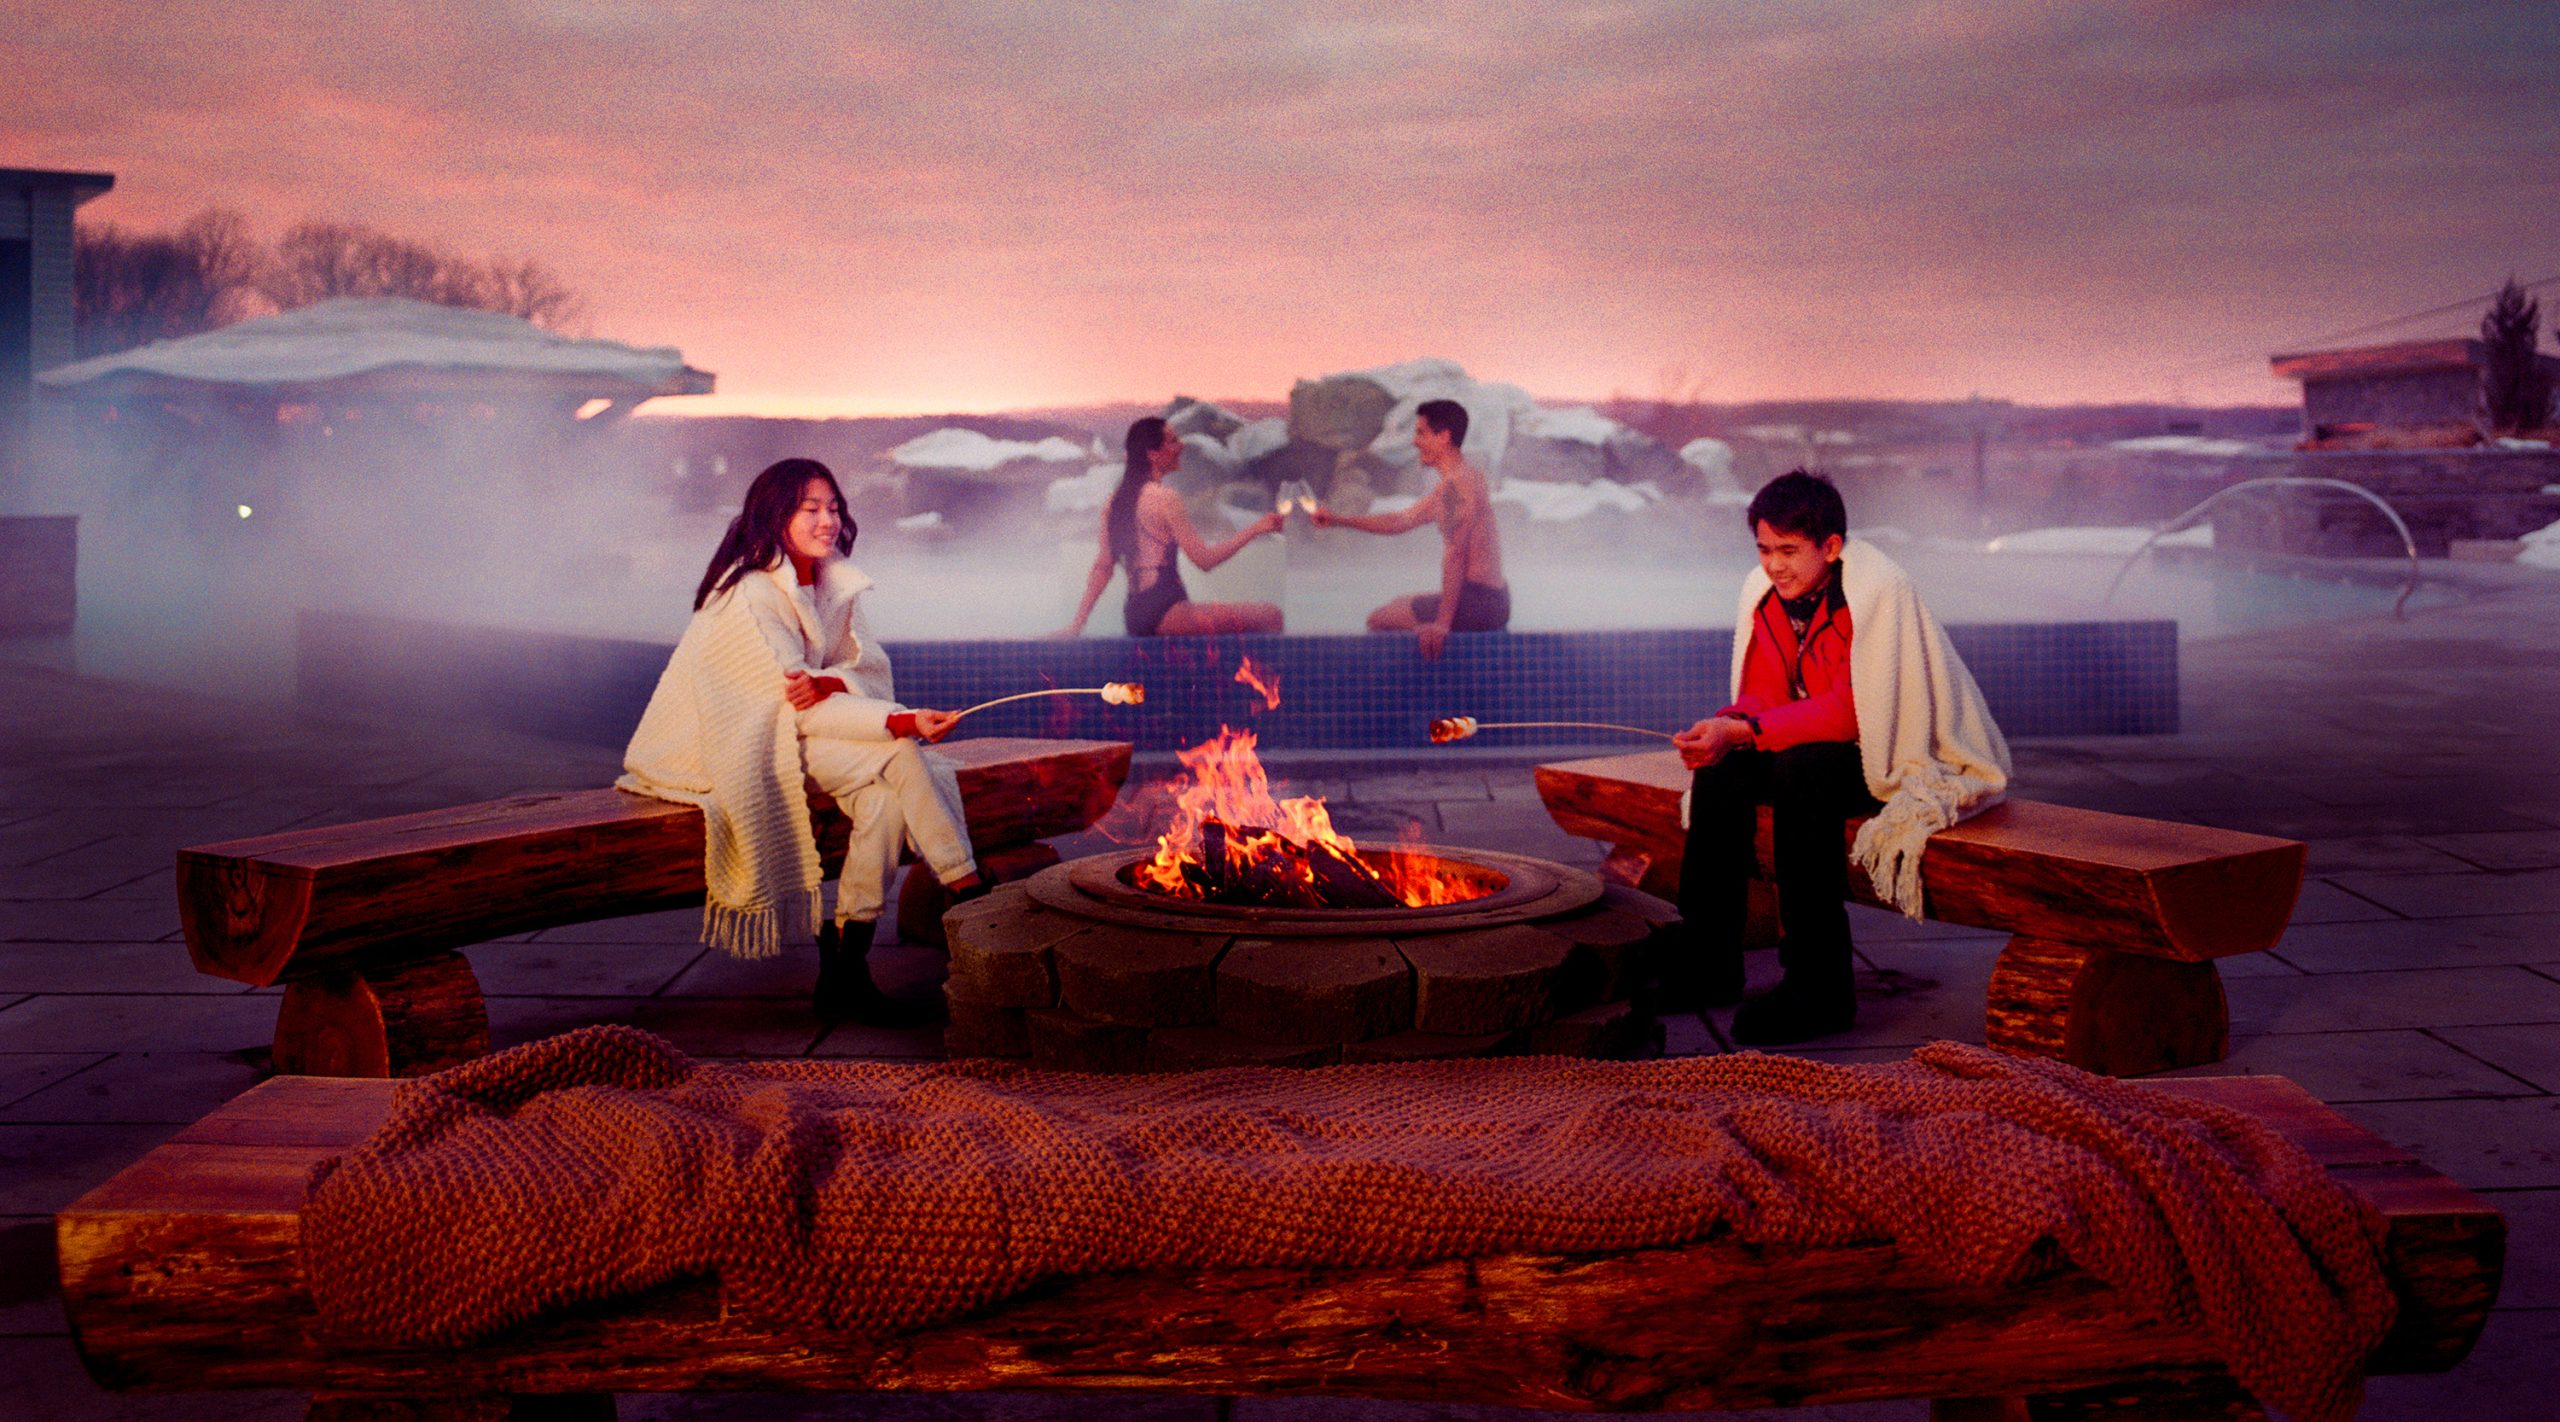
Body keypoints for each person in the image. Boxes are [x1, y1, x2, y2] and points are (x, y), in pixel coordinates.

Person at [621, 457, 981, 1027]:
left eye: (833, 508)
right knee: (899, 748)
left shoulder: (834, 580)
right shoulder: (748, 595)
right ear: (775, 516)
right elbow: (785, 705)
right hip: (751, 739)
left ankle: (843, 970)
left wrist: (834, 681)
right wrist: (902, 721)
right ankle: (971, 897)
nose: (827, 520)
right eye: (810, 509)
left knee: (886, 801)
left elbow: (869, 669)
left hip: (820, 733)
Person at [1668, 470, 2011, 1046]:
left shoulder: (1875, 594)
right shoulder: (1770, 597)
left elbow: (1861, 711)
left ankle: (1818, 989)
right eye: (1763, 549)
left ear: (1830, 547)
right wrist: (1728, 725)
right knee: (1721, 770)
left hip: (1886, 747)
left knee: (1804, 776)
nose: (1773, 566)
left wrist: (1750, 729)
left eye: (1788, 550)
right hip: (1812, 748)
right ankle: (1708, 964)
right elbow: (1766, 697)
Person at [1310, 398, 1506, 659]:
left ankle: (1416, 690)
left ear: (1443, 437)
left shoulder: (1457, 487)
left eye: (1421, 433)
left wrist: (1442, 625)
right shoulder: (1457, 482)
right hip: (1488, 599)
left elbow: (1455, 554)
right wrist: (1338, 520)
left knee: (1378, 619)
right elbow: (1398, 522)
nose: (1415, 442)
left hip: (1480, 604)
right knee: (1395, 607)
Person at [1056, 417, 1285, 638]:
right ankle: (1259, 678)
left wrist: (1077, 624)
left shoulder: (1114, 501)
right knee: (1270, 616)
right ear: (1153, 454)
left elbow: (1103, 567)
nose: (1182, 444)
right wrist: (1256, 529)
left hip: (1136, 613)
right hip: (1165, 610)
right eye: (1173, 441)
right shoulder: (1166, 499)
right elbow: (1204, 560)